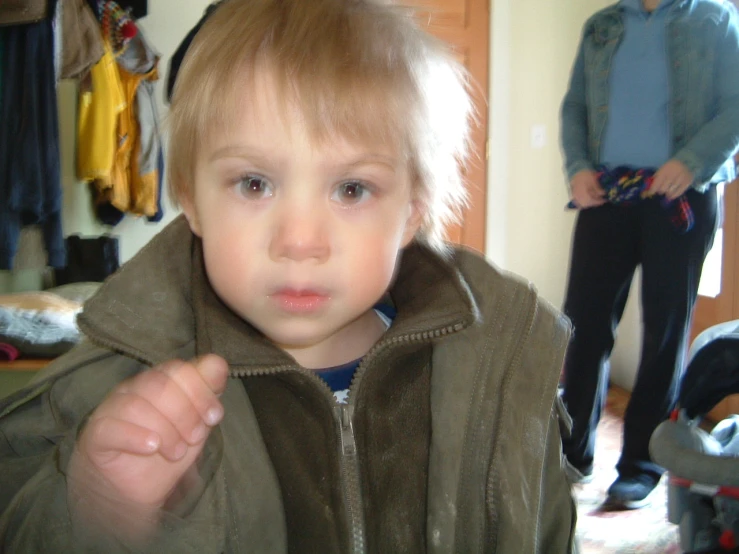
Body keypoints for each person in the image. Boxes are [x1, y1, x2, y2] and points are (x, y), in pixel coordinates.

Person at [0, 0, 577, 551]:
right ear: (190, 199)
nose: (300, 242)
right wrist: (100, 509)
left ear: (413, 211)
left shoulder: (498, 367)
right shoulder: (113, 386)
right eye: (255, 183)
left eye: (352, 189)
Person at [559, 0, 739, 510]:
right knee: (583, 328)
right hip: (606, 197)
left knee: (664, 334)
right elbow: (575, 106)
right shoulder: (603, 25)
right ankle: (572, 452)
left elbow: (736, 105)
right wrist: (577, 165)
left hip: (681, 199)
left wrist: (693, 161)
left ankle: (641, 465)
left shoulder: (716, 19)